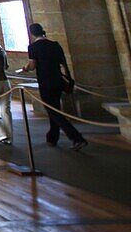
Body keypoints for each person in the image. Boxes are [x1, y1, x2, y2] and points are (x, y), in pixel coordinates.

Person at [18, 23, 87, 151]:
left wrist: (26, 68)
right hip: (58, 80)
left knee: (53, 111)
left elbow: (32, 66)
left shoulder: (33, 47)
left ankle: (76, 138)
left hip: (46, 81)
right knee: (54, 107)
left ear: (32, 34)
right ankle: (52, 137)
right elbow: (63, 63)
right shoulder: (55, 45)